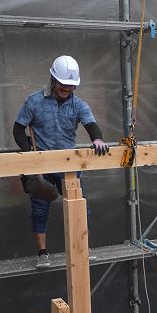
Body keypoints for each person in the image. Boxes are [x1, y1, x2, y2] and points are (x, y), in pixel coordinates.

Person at [13, 55, 109, 268]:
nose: (67, 89)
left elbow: (90, 124)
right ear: (53, 80)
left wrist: (98, 139)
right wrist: (29, 155)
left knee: (79, 207)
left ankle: (83, 248)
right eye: (63, 85)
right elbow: (18, 128)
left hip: (68, 164)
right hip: (42, 164)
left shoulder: (78, 105)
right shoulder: (34, 101)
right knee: (40, 207)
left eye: (71, 86)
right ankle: (42, 254)